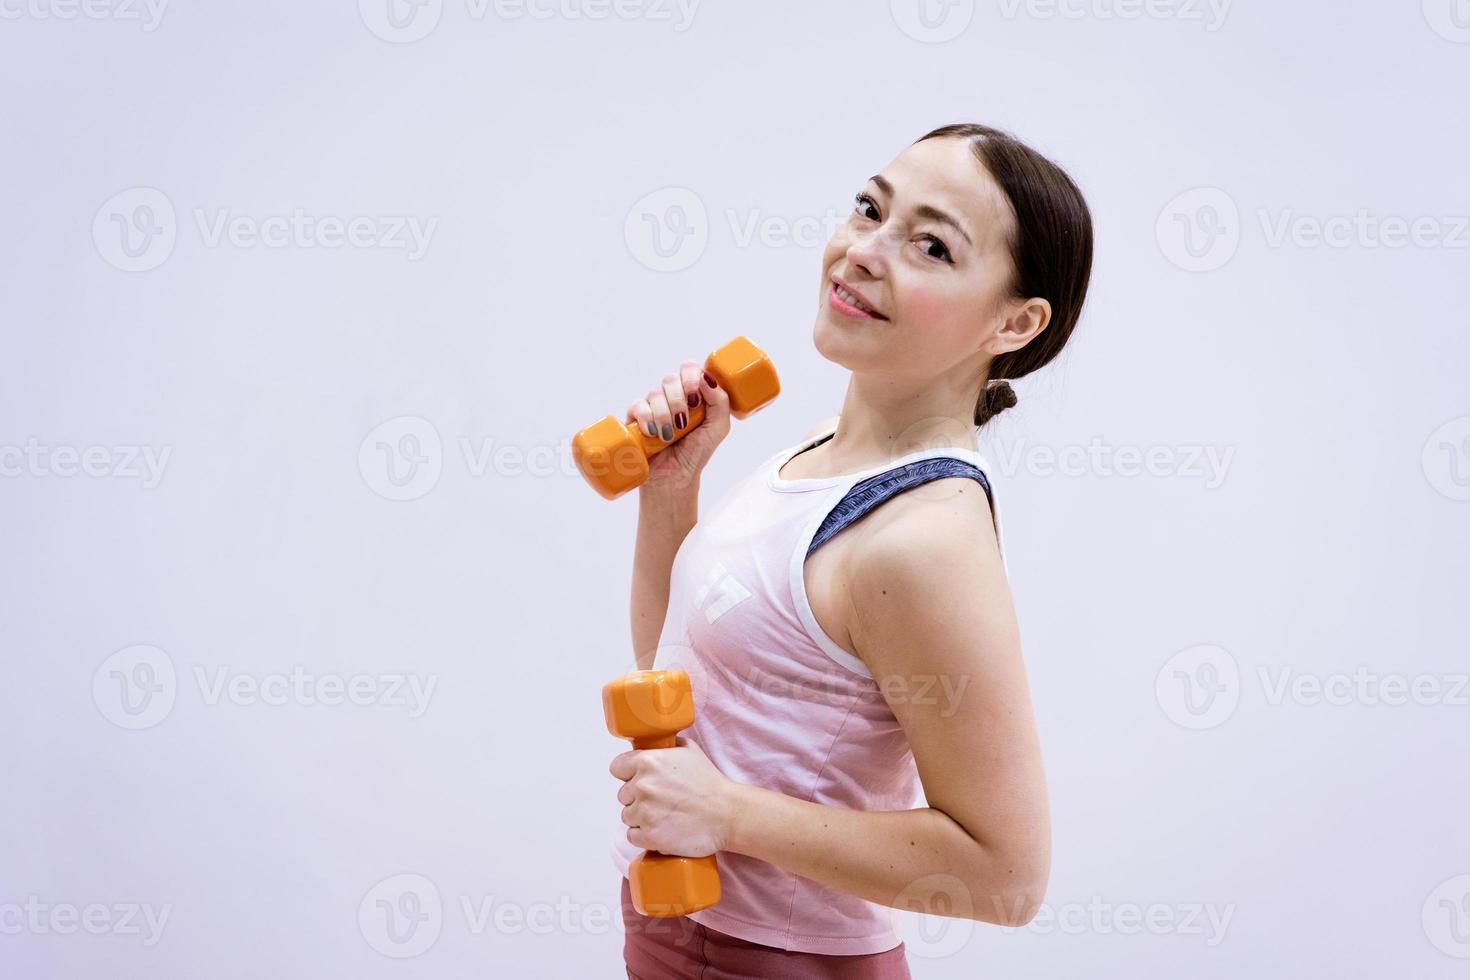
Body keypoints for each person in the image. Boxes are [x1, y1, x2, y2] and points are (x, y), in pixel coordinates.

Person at [607, 122, 1094, 979]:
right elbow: (677, 669)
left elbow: (1006, 876)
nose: (864, 251)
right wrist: (670, 490)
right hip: (678, 935)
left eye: (932, 246)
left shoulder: (924, 540)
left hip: (767, 960)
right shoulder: (826, 448)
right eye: (870, 208)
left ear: (1014, 322)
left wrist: (728, 816)